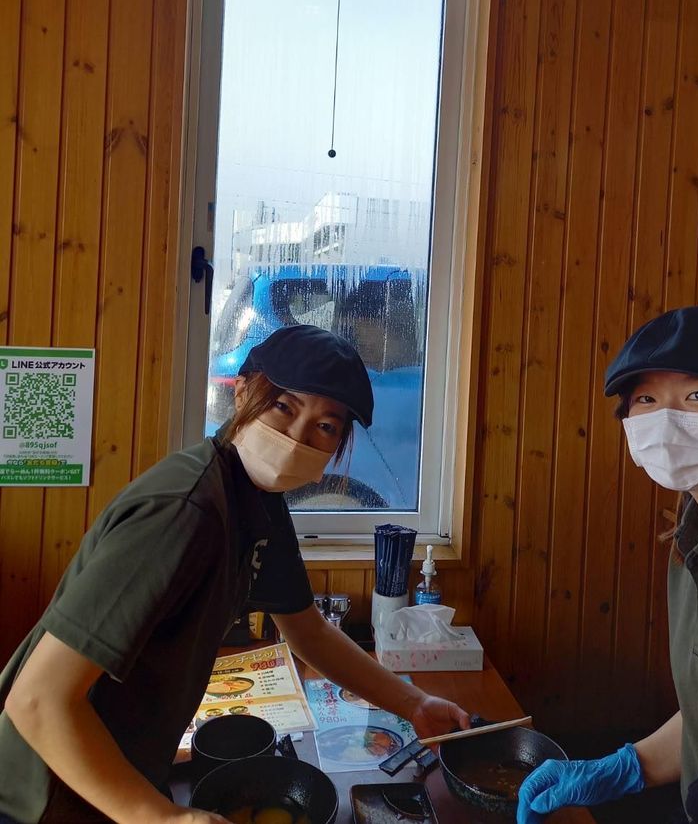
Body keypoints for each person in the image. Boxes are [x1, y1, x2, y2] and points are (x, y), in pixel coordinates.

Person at [0, 324, 469, 824]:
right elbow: (38, 700)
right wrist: (161, 817)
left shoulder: (257, 499)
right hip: (46, 790)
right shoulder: (184, 510)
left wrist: (414, 703)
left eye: (326, 426)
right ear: (242, 393)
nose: (296, 437)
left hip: (122, 772)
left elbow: (307, 631)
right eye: (284, 406)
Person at [517, 306, 698, 824]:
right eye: (646, 399)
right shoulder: (694, 536)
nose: (666, 421)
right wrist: (628, 766)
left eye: (697, 396)